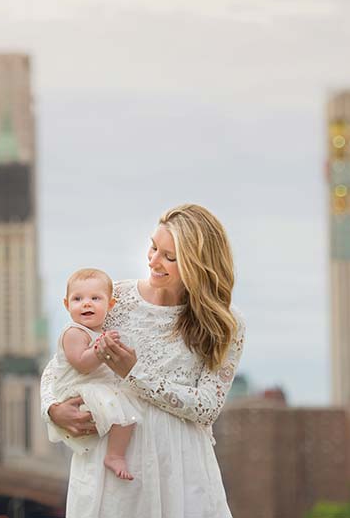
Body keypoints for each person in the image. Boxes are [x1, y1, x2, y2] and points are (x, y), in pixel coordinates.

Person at [41, 204, 246, 517]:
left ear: (197, 264)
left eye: (169, 256)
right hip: (111, 466)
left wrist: (135, 374)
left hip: (179, 468)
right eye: (153, 247)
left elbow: (207, 407)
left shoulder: (224, 323)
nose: (154, 261)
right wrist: (53, 410)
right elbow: (60, 365)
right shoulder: (112, 299)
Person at [42, 267, 140, 480]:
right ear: (67, 305)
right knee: (123, 411)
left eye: (95, 298)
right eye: (78, 299)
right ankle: (113, 456)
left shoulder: (99, 332)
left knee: (128, 416)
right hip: (79, 388)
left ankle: (115, 454)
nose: (86, 303)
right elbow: (82, 364)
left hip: (96, 387)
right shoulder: (74, 332)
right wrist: (101, 350)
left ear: (110, 305)